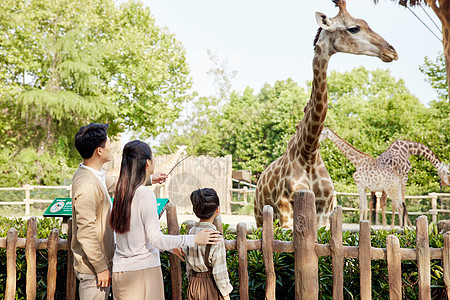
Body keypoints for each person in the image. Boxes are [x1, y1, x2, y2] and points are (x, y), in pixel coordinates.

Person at [109, 140, 222, 300]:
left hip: (121, 273)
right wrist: (194, 239)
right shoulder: (145, 195)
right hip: (143, 274)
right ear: (147, 163)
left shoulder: (121, 193)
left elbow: (138, 238)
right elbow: (155, 240)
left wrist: (169, 247)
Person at [71, 123, 167, 300]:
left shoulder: (94, 176)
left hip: (102, 266)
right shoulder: (87, 184)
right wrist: (100, 268)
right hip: (94, 271)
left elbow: (118, 183)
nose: (111, 146)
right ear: (99, 151)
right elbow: (86, 231)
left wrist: (148, 178)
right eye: (108, 143)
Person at [183, 188, 233, 300]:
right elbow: (220, 273)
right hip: (210, 287)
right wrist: (226, 296)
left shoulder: (191, 233)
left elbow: (188, 267)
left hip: (193, 285)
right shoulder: (215, 237)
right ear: (217, 210)